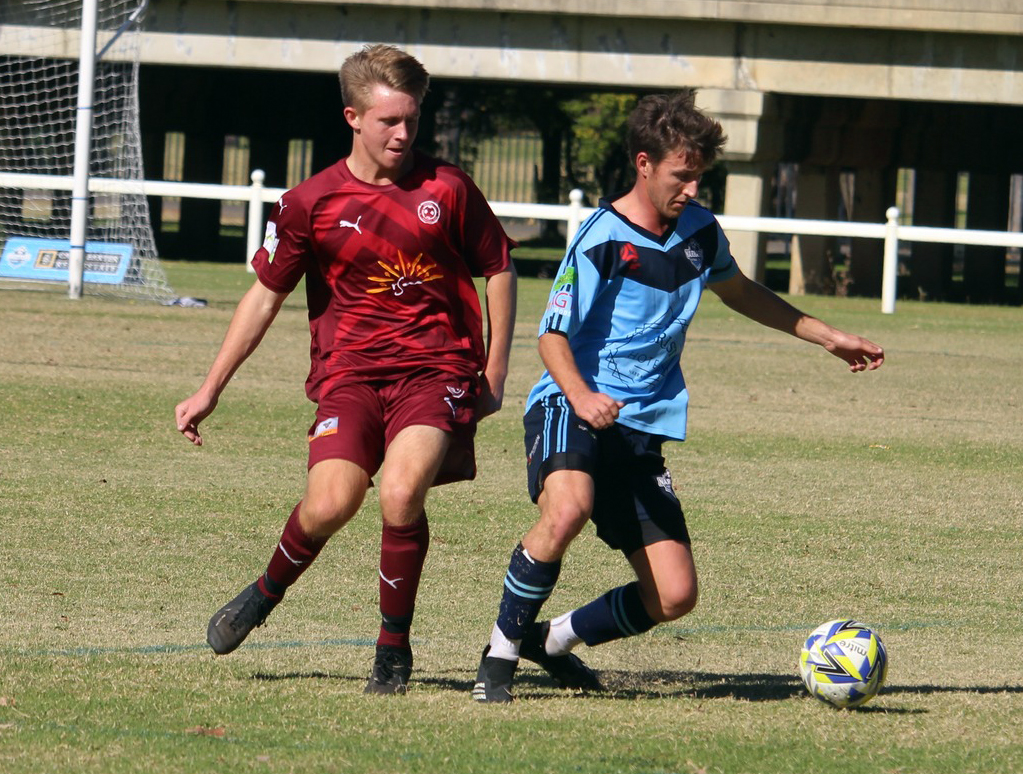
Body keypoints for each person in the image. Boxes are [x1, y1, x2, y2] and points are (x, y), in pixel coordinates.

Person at [472, 90, 885, 703]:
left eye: (699, 177)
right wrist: (583, 397)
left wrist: (827, 336)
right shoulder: (601, 237)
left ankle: (550, 642)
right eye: (681, 176)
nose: (692, 189)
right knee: (567, 510)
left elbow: (741, 291)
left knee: (673, 595)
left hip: (640, 426)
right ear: (644, 163)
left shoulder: (698, 230)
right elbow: (551, 336)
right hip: (570, 406)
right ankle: (499, 659)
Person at [174, 44, 520, 695]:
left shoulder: (447, 187)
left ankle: (392, 651)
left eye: (412, 120)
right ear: (352, 117)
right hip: (350, 379)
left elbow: (499, 265)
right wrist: (209, 388)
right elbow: (264, 295)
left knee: (399, 491)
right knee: (330, 502)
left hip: (434, 374)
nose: (403, 134)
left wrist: (494, 373)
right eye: (389, 121)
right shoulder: (309, 203)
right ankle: (264, 593)